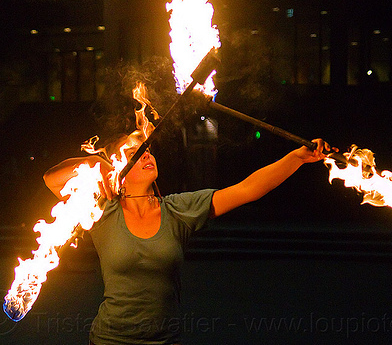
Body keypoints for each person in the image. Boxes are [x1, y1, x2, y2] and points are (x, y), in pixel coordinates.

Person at [43, 134, 333, 345]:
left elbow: (248, 189)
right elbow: (52, 178)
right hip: (110, 340)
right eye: (134, 151)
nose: (146, 154)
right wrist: (99, 163)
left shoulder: (179, 209)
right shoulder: (101, 209)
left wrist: (296, 158)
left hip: (165, 341)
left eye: (146, 149)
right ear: (119, 167)